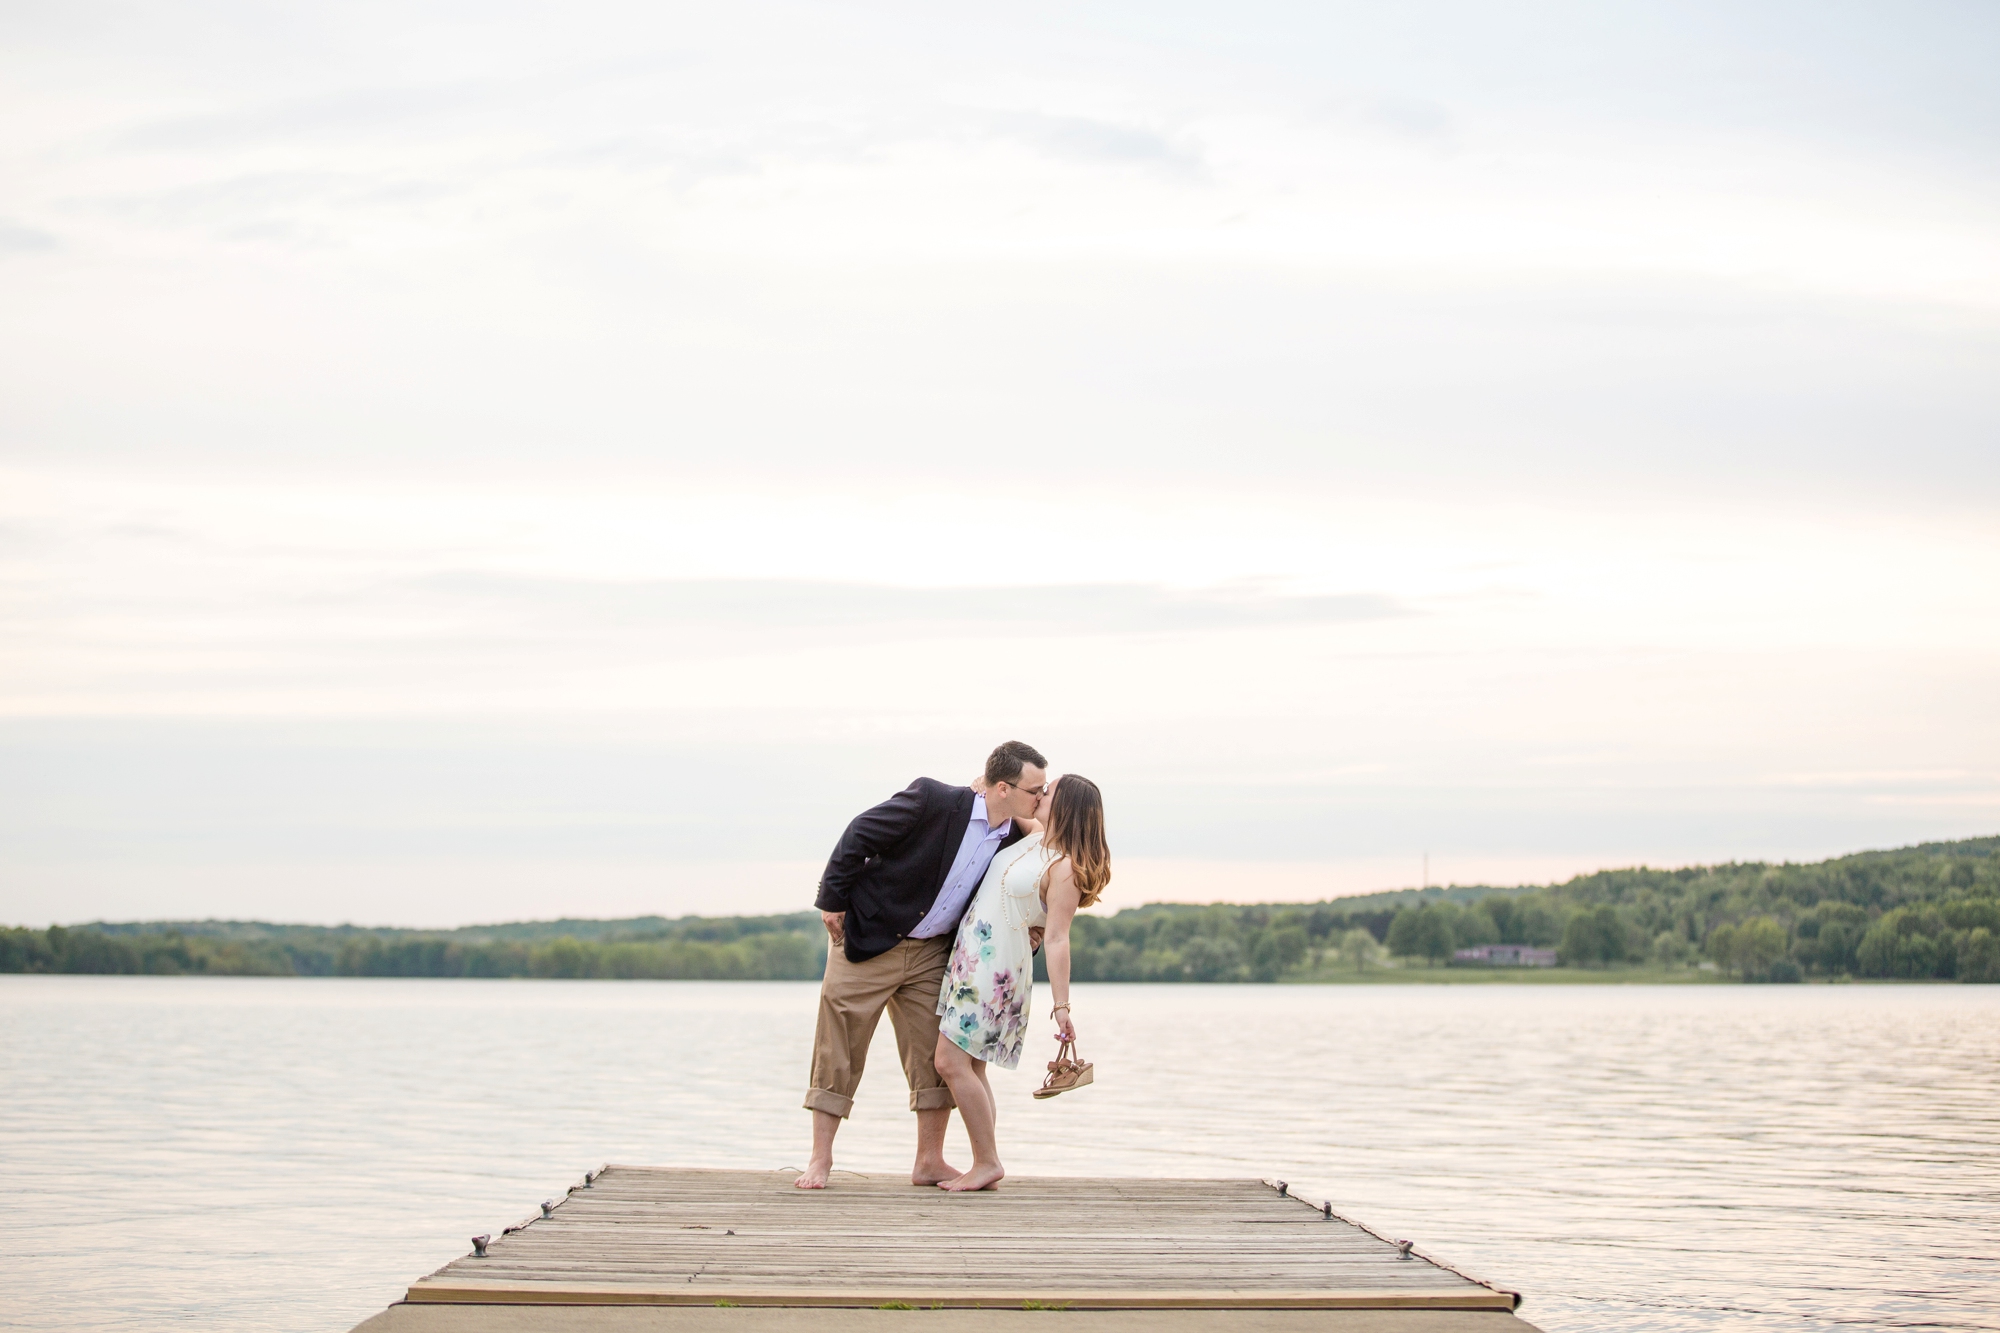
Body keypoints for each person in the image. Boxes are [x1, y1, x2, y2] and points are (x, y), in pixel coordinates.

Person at [796, 741, 1050, 1190]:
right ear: (1004, 788)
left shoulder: (1013, 837)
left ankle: (929, 1161)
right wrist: (831, 901)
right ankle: (820, 1160)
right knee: (838, 1046)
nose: (1041, 796)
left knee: (935, 1056)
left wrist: (1031, 931)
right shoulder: (933, 800)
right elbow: (859, 833)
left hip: (934, 954)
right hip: (868, 941)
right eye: (1036, 789)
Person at [932, 773, 1111, 1191]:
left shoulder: (1066, 867)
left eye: (1048, 792)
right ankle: (985, 1161)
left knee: (949, 1062)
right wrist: (983, 783)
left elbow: (1057, 936)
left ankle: (987, 1162)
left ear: (1066, 806)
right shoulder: (1034, 837)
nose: (1039, 795)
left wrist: (1062, 1007)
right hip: (970, 959)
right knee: (971, 1066)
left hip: (998, 972)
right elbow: (1003, 803)